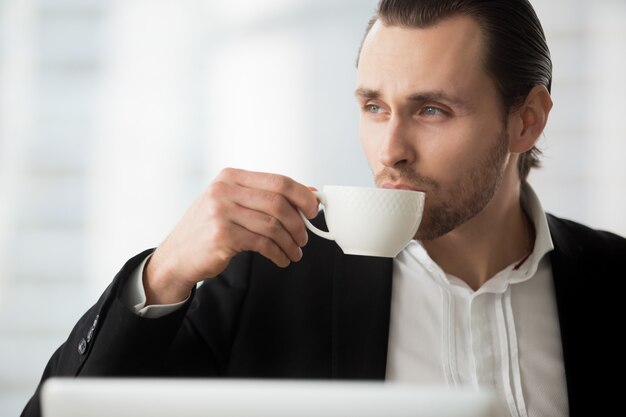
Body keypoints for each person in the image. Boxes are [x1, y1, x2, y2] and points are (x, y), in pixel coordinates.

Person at [22, 1, 625, 416]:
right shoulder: (267, 272)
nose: (390, 151)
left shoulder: (611, 279)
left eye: (432, 110)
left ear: (527, 120)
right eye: (374, 107)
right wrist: (164, 274)